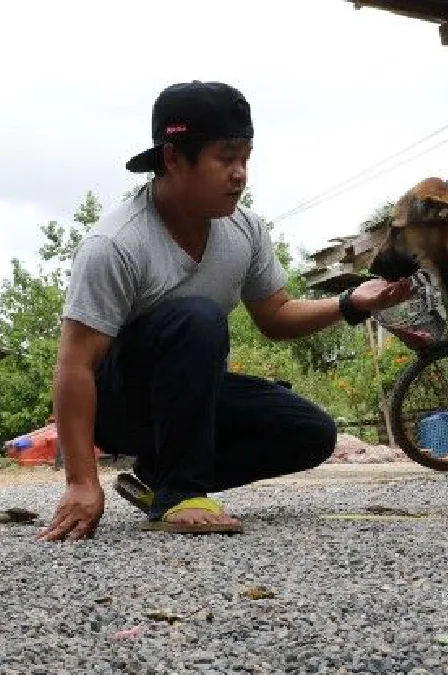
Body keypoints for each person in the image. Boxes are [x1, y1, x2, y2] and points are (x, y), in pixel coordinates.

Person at [37, 81, 414, 541]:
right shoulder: (115, 245)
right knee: (196, 317)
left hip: (191, 399)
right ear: (173, 159)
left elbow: (275, 316)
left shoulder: (246, 232)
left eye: (245, 159)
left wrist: (350, 303)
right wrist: (81, 481)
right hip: (121, 408)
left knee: (310, 432)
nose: (240, 174)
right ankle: (181, 494)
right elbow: (75, 366)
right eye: (225, 158)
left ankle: (158, 477)